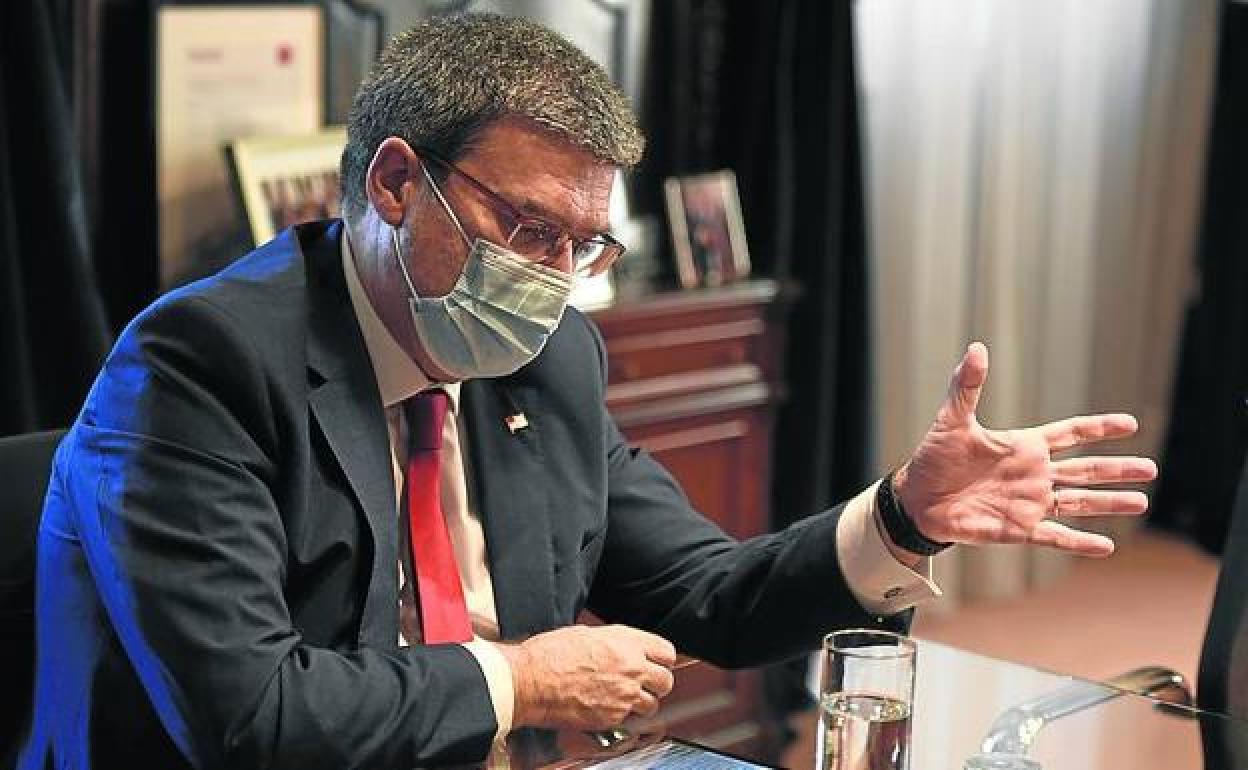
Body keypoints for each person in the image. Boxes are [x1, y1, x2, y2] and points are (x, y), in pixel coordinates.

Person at [22, 13, 1157, 769]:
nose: (554, 281)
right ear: (397, 181)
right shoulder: (200, 366)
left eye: (584, 246)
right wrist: (521, 679)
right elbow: (249, 717)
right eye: (528, 229)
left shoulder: (548, 359)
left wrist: (901, 516)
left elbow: (709, 593)